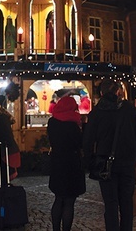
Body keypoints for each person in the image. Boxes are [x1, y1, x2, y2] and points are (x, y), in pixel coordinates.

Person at [83, 79, 136, 231]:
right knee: (126, 203)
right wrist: (134, 153)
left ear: (101, 93)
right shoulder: (129, 109)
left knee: (110, 204)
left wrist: (89, 161)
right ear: (118, 92)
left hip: (105, 163)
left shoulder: (97, 113)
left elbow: (87, 141)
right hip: (127, 162)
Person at [47, 96, 85, 231]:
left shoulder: (52, 122)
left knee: (58, 198)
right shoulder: (73, 124)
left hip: (57, 163)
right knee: (69, 202)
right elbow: (80, 144)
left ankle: (56, 229)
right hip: (72, 164)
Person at [0, 95, 20, 187]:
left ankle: (2, 196)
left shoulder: (1, 117)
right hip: (1, 149)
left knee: (2, 176)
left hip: (4, 150)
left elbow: (2, 135)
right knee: (0, 175)